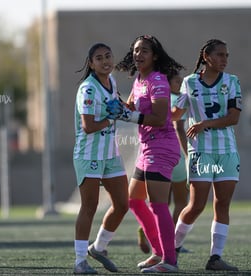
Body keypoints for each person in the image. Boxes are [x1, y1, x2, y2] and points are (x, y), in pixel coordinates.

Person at [106, 34, 184, 273]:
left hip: (162, 147)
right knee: (133, 200)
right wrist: (118, 105)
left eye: (145, 51)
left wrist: (129, 115)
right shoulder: (139, 78)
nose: (139, 54)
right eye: (136, 50)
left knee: (159, 205)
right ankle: (159, 252)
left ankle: (169, 261)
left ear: (155, 56)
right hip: (147, 147)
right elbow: (131, 107)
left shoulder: (158, 80)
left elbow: (161, 119)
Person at [172, 38, 242, 271]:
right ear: (206, 57)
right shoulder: (189, 82)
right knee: (196, 205)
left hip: (227, 152)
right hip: (201, 152)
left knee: (222, 205)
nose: (225, 59)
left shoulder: (232, 81)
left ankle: (215, 258)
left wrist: (205, 124)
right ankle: (170, 251)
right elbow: (176, 115)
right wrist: (150, 103)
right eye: (220, 55)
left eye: (227, 55)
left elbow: (234, 118)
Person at [73, 43, 129, 274]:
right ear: (91, 63)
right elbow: (88, 127)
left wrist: (128, 109)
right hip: (89, 155)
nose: (105, 61)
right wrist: (111, 117)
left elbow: (118, 108)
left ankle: (98, 247)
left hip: (111, 154)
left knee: (123, 205)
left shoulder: (112, 81)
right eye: (99, 58)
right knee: (89, 206)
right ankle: (79, 261)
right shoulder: (88, 88)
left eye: (108, 56)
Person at [136, 69, 190, 255]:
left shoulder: (158, 95)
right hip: (174, 155)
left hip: (157, 152)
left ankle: (149, 232)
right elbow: (179, 127)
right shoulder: (175, 98)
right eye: (177, 80)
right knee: (181, 202)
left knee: (161, 204)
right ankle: (171, 244)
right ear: (168, 82)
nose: (180, 84)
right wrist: (188, 154)